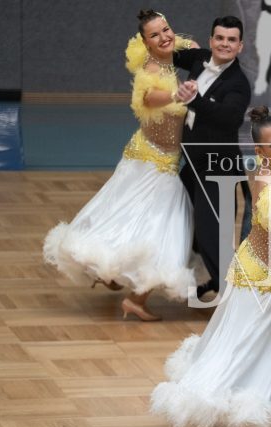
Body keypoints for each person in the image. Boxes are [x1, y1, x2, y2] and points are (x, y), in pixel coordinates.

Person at [150, 106, 271, 427]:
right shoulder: (266, 180)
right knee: (258, 351)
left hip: (263, 272)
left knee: (257, 347)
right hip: (264, 281)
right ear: (260, 151)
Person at [43, 10, 198, 321]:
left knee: (130, 220)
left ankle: (113, 275)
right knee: (161, 228)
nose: (164, 37)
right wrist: (176, 94)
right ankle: (136, 298)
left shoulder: (171, 54)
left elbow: (188, 46)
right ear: (145, 42)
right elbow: (149, 97)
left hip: (154, 159)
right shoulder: (150, 69)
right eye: (155, 35)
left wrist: (198, 51)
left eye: (166, 30)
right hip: (152, 164)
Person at [173, 16, 252, 301]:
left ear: (240, 46)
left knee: (212, 234)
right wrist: (166, 36)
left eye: (231, 40)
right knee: (175, 212)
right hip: (194, 164)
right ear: (210, 40)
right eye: (220, 38)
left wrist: (193, 100)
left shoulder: (239, 84)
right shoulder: (200, 59)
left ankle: (234, 296)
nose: (224, 44)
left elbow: (229, 118)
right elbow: (168, 51)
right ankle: (219, 282)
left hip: (217, 166)